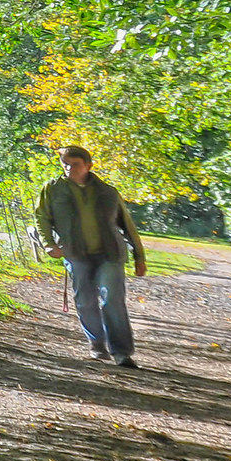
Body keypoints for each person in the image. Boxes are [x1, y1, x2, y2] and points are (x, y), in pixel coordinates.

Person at [34, 145, 148, 367]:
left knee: (112, 299)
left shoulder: (108, 192)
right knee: (85, 300)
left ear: (88, 165)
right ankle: (97, 344)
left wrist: (139, 256)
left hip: (110, 253)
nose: (68, 168)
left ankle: (122, 352)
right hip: (76, 253)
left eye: (74, 164)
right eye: (64, 164)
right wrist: (48, 244)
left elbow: (127, 225)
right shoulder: (52, 189)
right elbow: (42, 217)